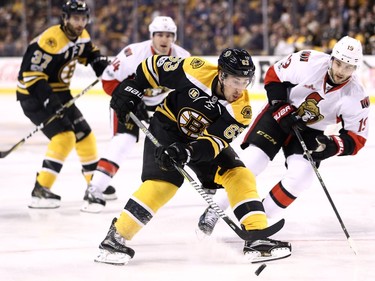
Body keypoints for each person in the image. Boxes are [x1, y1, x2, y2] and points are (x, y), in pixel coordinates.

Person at [93, 48, 292, 266]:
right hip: (166, 128)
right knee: (164, 184)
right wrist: (134, 87)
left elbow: (212, 143)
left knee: (239, 174)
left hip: (200, 142)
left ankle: (257, 238)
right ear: (222, 75)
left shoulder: (241, 110)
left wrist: (186, 152)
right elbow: (153, 67)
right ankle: (115, 238)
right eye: (236, 81)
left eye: (246, 81)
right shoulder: (194, 69)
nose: (240, 88)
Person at [197, 36, 370, 235]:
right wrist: (281, 106)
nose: (341, 71)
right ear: (332, 58)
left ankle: (258, 219)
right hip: (280, 116)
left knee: (301, 179)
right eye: (339, 63)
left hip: (311, 132)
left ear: (355, 68)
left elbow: (356, 138)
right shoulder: (308, 61)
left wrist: (330, 146)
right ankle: (215, 210)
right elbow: (274, 75)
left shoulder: (356, 96)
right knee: (253, 162)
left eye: (348, 67)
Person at [81, 16, 190, 213]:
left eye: (168, 35)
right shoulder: (133, 54)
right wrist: (129, 99)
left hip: (161, 107)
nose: (164, 39)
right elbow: (108, 80)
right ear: (152, 36)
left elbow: (189, 89)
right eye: (159, 35)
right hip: (129, 104)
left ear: (174, 37)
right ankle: (94, 189)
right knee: (123, 141)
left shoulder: (183, 57)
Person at [16, 0, 109, 209]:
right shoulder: (50, 40)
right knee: (64, 137)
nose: (80, 23)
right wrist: (50, 102)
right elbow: (31, 76)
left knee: (84, 134)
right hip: (33, 96)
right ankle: (41, 189)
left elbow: (90, 53)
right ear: (65, 18)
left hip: (59, 92)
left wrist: (100, 65)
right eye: (75, 18)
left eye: (83, 18)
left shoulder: (82, 35)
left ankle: (94, 185)